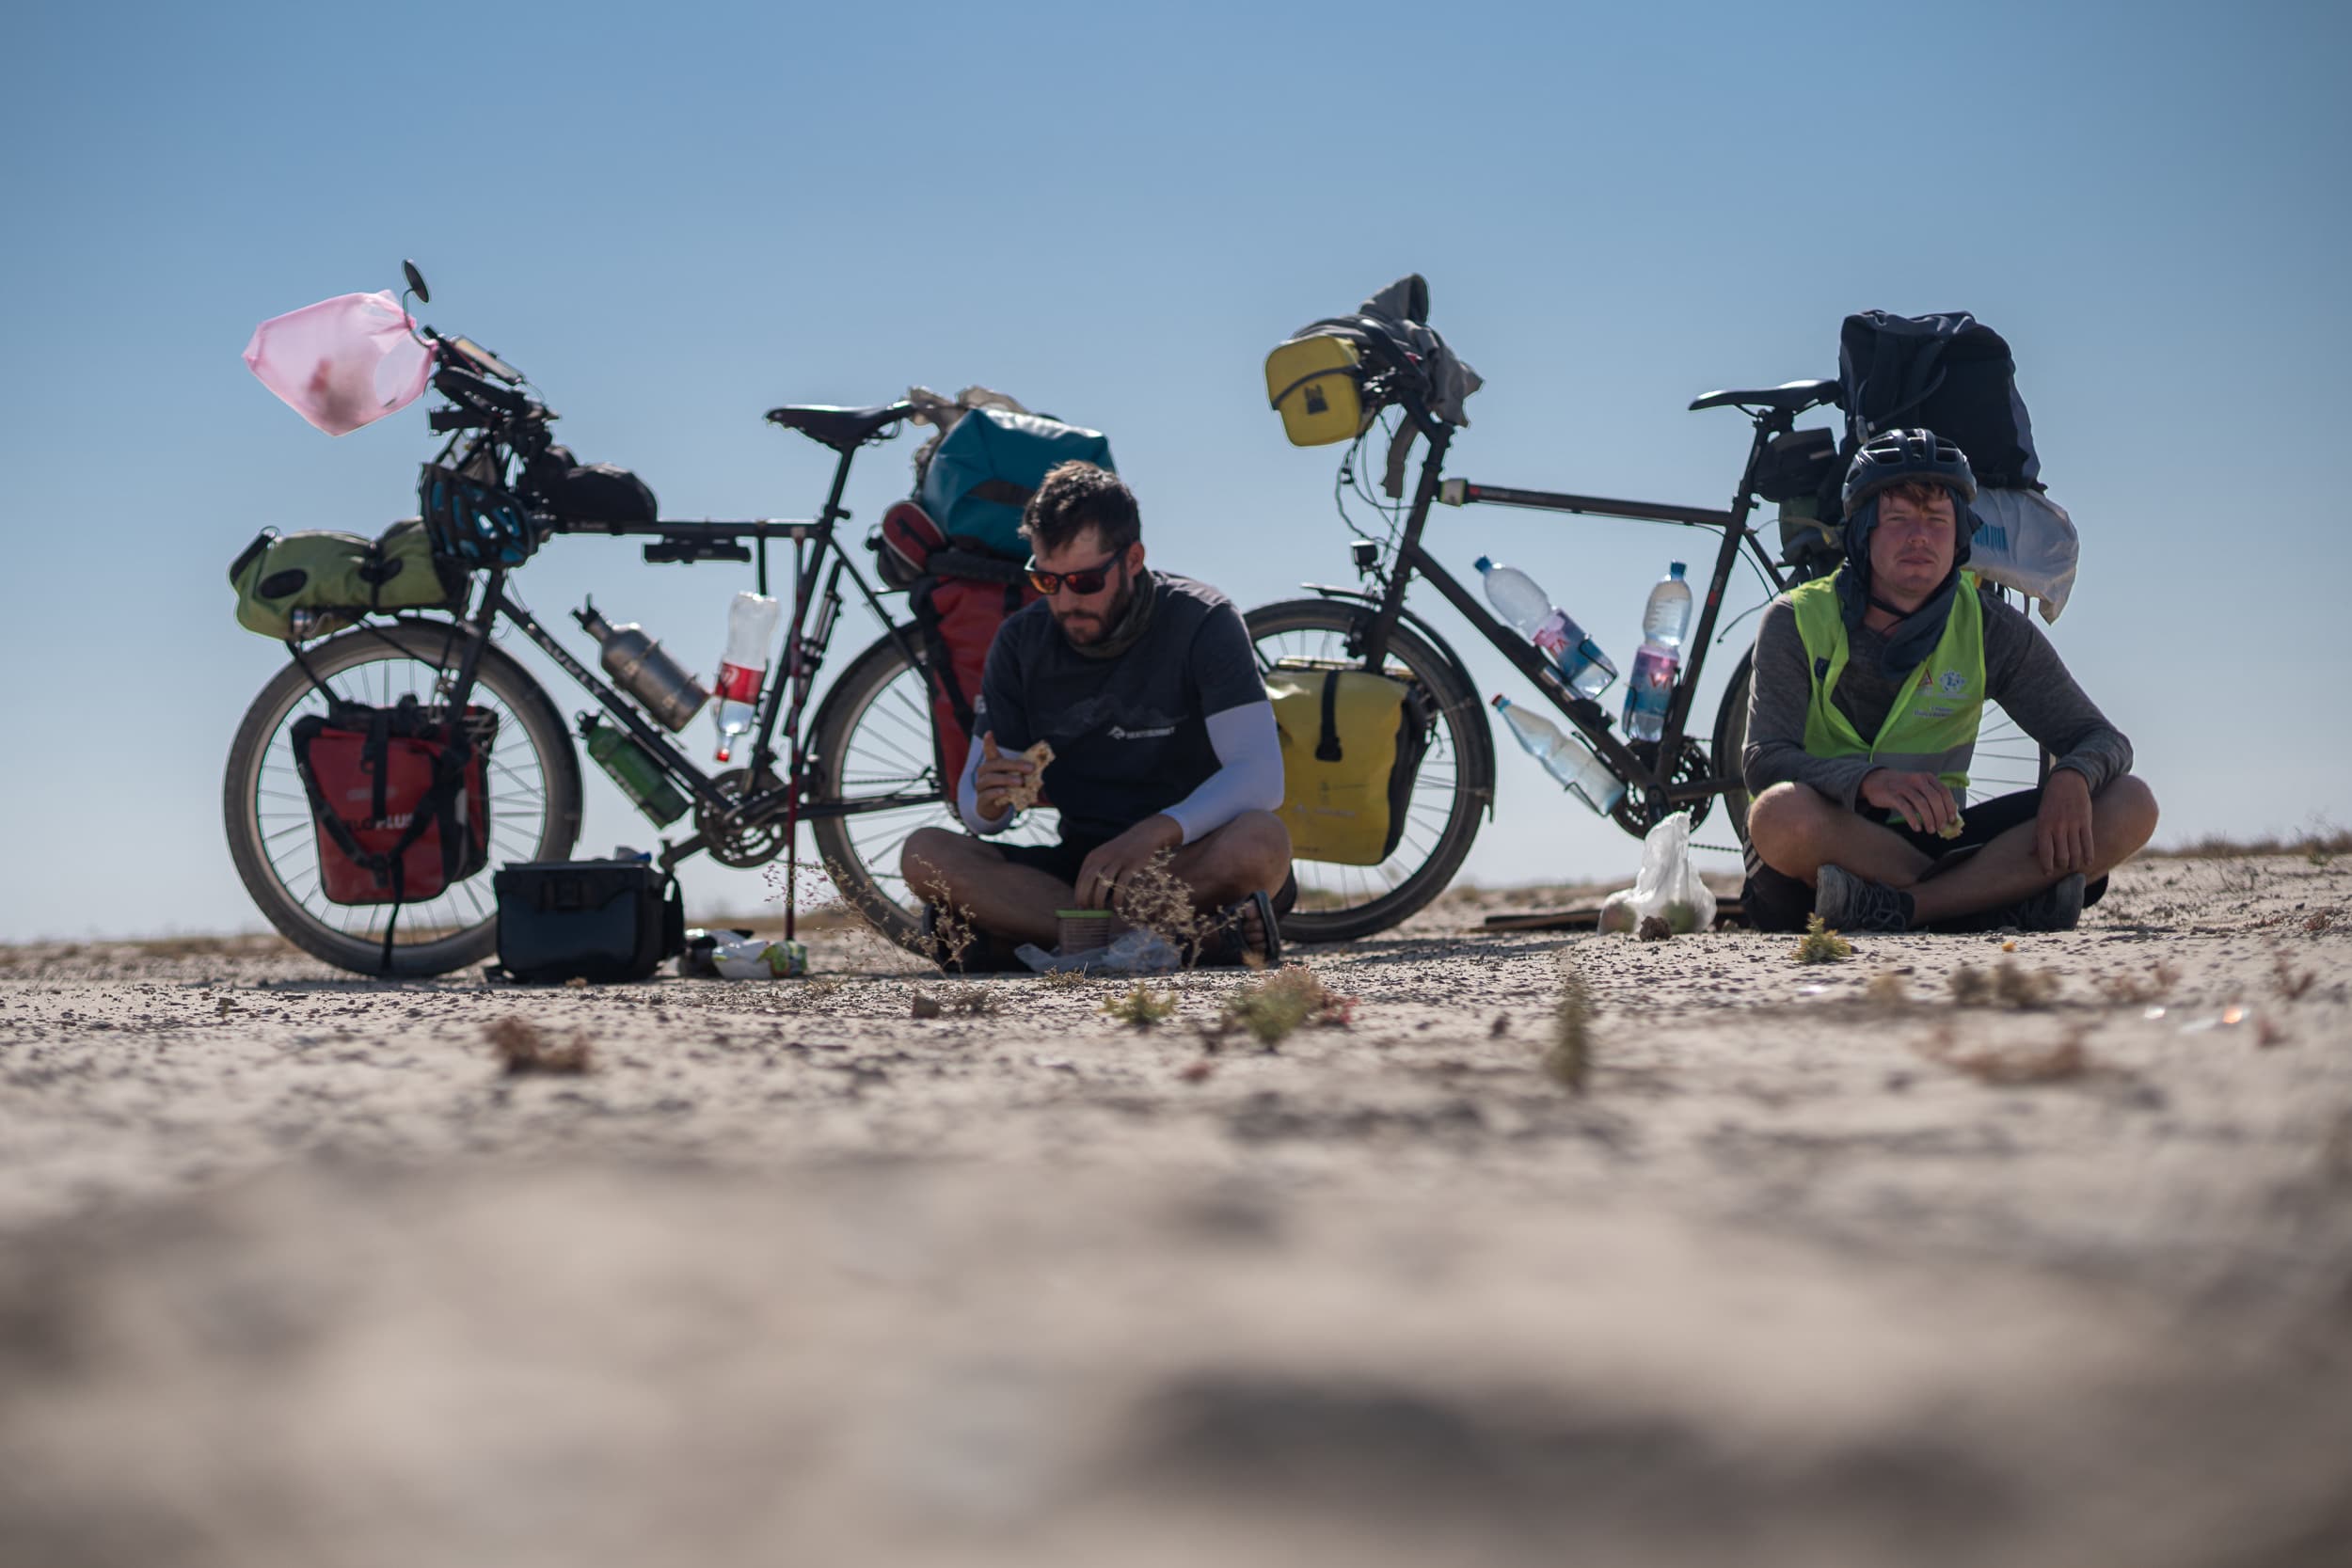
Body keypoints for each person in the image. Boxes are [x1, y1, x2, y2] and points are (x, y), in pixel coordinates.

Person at [1741, 429, 2159, 932]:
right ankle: (1987, 897)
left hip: (1941, 837)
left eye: (1937, 520)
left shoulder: (1987, 626)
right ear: (1863, 531)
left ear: (1960, 534)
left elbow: (2102, 740)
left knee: (2130, 803)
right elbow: (1765, 759)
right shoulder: (1796, 618)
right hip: (1842, 838)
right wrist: (1869, 783)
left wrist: (2073, 776)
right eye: (1898, 519)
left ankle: (1913, 908)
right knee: (1778, 815)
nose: (1919, 536)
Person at [901, 461, 1294, 965]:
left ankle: (1025, 943)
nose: (1064, 601)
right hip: (1080, 872)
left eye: (1084, 582)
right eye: (1046, 581)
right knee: (925, 853)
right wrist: (991, 800)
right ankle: (1193, 939)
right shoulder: (1021, 641)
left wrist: (1154, 833)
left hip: (1191, 855)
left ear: (1132, 559)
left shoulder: (1203, 620)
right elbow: (981, 814)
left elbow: (1261, 777)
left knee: (1261, 841)